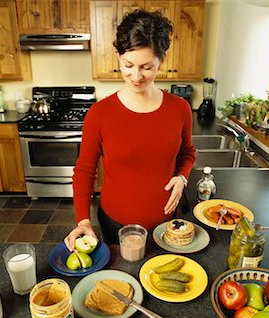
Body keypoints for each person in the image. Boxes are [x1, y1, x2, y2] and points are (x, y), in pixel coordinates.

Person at [64, 9, 196, 251]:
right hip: (115, 224)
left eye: (146, 67)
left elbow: (187, 152)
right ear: (119, 57)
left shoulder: (180, 109)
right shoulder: (100, 113)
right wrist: (83, 219)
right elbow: (84, 170)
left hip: (166, 225)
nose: (136, 76)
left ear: (161, 61)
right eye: (128, 65)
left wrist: (182, 177)